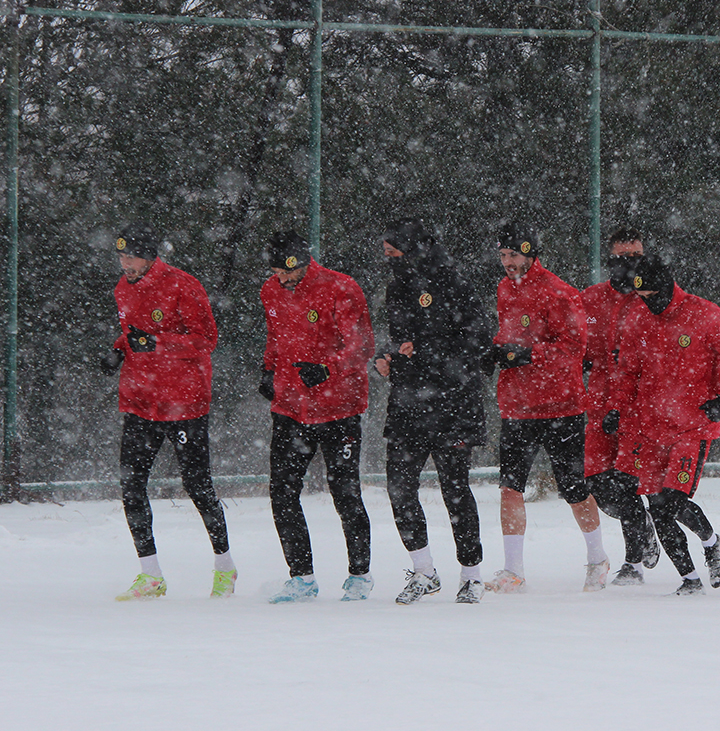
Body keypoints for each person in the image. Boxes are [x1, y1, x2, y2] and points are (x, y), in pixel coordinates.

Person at [103, 222, 235, 600]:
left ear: (149, 256)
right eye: (121, 256)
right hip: (140, 401)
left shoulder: (183, 285)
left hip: (183, 402)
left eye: (131, 256)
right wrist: (118, 349)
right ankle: (151, 575)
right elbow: (132, 334)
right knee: (131, 486)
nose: (125, 263)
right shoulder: (122, 289)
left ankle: (225, 566)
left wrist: (157, 342)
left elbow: (205, 339)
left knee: (197, 486)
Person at [609, 255, 720, 595]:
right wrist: (617, 408)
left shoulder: (704, 314)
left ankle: (712, 542)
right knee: (657, 508)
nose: (649, 304)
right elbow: (628, 371)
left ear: (669, 287)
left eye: (654, 296)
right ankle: (689, 581)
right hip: (652, 427)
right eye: (642, 298)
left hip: (693, 427)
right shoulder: (638, 319)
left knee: (671, 502)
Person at [485, 223, 609, 593]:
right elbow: (508, 336)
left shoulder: (560, 293)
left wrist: (528, 354)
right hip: (517, 407)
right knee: (510, 487)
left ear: (530, 253)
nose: (508, 263)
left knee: (572, 488)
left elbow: (573, 348)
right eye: (503, 255)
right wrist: (494, 352)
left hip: (561, 407)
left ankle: (597, 558)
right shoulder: (504, 289)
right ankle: (513, 570)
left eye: (514, 255)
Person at [375, 220, 493, 605]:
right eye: (388, 255)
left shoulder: (454, 284)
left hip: (452, 404)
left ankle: (472, 575)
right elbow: (403, 340)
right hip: (409, 403)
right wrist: (389, 358)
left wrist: (429, 354)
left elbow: (477, 340)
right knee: (399, 488)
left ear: (413, 250)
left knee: (455, 489)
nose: (390, 261)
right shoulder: (397, 288)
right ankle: (424, 571)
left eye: (395, 254)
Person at [259, 230, 375, 602]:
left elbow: (361, 345)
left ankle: (359, 576)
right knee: (282, 491)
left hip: (339, 407)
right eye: (276, 271)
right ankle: (301, 577)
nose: (282, 279)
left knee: (345, 491)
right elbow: (275, 337)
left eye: (287, 271)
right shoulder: (270, 291)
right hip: (291, 408)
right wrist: (267, 370)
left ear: (302, 262)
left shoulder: (341, 288)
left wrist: (328, 368)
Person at [581, 226, 662, 586]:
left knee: (629, 482)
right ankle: (643, 525)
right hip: (599, 406)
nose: (628, 265)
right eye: (621, 258)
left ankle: (633, 564)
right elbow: (574, 343)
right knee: (598, 484)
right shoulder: (589, 299)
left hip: (637, 408)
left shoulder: (653, 299)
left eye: (635, 258)